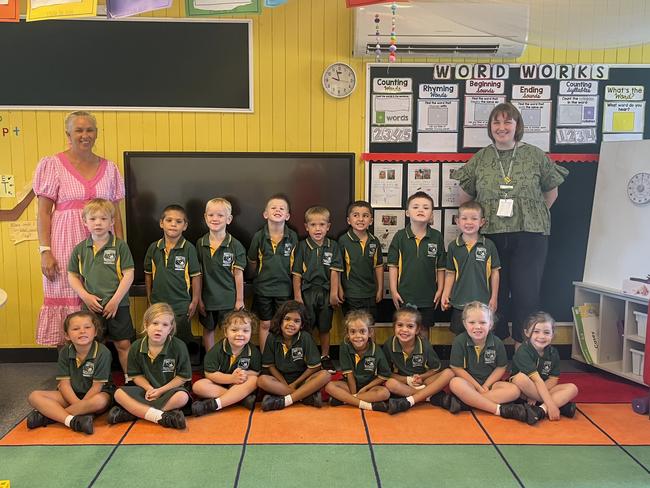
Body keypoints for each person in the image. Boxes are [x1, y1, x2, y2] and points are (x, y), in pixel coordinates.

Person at [452, 102, 568, 347]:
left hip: (530, 235)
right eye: (496, 122)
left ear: (517, 126)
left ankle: (523, 346)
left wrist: (533, 213)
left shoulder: (534, 155)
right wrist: (476, 220)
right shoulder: (481, 158)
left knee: (527, 292)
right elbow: (464, 197)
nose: (501, 127)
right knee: (495, 292)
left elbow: (552, 192)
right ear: (490, 127)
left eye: (507, 122)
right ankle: (496, 344)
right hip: (492, 235)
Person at [33, 111, 125, 346]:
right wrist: (45, 250)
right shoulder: (52, 165)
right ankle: (68, 369)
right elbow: (43, 212)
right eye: (79, 130)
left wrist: (121, 250)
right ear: (68, 134)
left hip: (103, 247)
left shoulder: (110, 168)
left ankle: (97, 365)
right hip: (64, 244)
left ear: (96, 133)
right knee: (68, 301)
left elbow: (116, 213)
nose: (85, 135)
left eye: (90, 130)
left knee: (98, 298)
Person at [67, 199, 134, 380]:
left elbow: (129, 274)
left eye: (103, 219)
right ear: (85, 221)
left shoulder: (120, 246)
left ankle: (129, 378)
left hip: (118, 305)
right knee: (93, 343)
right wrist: (85, 296)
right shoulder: (80, 249)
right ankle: (97, 379)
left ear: (112, 221)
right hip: (91, 307)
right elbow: (72, 275)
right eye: (93, 218)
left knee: (123, 343)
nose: (98, 223)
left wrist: (115, 301)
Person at [448, 301, 538, 424]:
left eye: (483, 322)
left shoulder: (497, 342)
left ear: (490, 324)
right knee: (454, 383)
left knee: (515, 391)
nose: (477, 327)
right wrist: (478, 387)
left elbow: (501, 367)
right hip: (469, 384)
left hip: (491, 386)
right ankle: (498, 409)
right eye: (472, 322)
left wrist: (486, 386)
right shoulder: (459, 341)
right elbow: (456, 368)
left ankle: (466, 403)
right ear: (464, 323)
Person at [27, 311, 114, 435]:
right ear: (67, 335)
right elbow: (64, 385)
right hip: (71, 395)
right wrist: (78, 406)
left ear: (95, 332)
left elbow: (97, 387)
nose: (82, 331)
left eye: (87, 327)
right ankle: (72, 420)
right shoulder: (64, 352)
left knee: (99, 401)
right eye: (76, 328)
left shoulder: (103, 352)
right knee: (34, 396)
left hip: (96, 394)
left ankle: (49, 416)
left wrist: (83, 404)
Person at [107, 303, 191, 429]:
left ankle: (135, 413)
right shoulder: (136, 346)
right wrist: (149, 389)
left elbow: (183, 377)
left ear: (170, 329)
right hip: (146, 391)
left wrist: (160, 391)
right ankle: (161, 415)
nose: (159, 328)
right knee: (118, 393)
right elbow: (136, 375)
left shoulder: (179, 346)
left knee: (182, 397)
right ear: (146, 325)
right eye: (155, 323)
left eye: (165, 325)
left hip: (169, 390)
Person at [292, 206, 344, 372]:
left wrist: (334, 294)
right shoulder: (301, 246)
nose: (318, 229)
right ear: (306, 227)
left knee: (324, 326)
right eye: (313, 225)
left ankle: (325, 356)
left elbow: (335, 271)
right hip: (307, 292)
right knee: (306, 326)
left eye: (322, 224)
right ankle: (308, 356)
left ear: (328, 226)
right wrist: (298, 296)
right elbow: (297, 274)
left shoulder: (333, 246)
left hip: (326, 292)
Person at [144, 204, 201, 347]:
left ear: (185, 225)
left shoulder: (189, 248)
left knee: (180, 343)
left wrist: (195, 300)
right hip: (158, 305)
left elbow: (196, 276)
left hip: (181, 306)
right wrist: (149, 298)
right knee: (159, 341)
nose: (173, 224)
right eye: (169, 220)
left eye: (178, 221)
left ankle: (180, 368)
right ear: (161, 223)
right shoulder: (153, 248)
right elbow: (148, 275)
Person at [257, 300, 331, 411]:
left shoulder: (305, 337)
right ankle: (305, 397)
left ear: (302, 325)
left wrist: (295, 384)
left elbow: (315, 366)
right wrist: (285, 384)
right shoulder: (272, 337)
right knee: (261, 380)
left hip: (302, 381)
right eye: (287, 319)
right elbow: (270, 366)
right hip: (280, 381)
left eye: (296, 321)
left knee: (325, 375)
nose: (291, 324)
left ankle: (284, 401)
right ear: (280, 321)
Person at [441, 201, 501, 335]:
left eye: (474, 218)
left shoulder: (489, 245)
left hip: (483, 303)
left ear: (482, 222)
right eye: (464, 218)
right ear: (457, 221)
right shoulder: (453, 246)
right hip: (459, 303)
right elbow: (450, 273)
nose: (469, 222)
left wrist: (494, 297)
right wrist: (446, 294)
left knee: (482, 338)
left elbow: (495, 273)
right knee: (460, 339)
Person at [388, 191, 445, 329]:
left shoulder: (437, 236)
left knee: (424, 331)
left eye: (426, 208)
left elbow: (441, 267)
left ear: (431, 214)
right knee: (404, 330)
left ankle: (424, 352)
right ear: (407, 212)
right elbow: (393, 266)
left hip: (428, 296)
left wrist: (440, 289)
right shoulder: (400, 236)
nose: (420, 210)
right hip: (405, 296)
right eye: (415, 207)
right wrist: (394, 290)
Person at [247, 194, 298, 351]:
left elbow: (295, 265)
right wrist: (255, 278)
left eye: (282, 208)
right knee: (265, 324)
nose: (277, 210)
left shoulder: (292, 237)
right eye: (273, 208)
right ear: (265, 214)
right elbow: (253, 261)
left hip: (284, 288)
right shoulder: (259, 237)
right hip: (263, 289)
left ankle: (283, 356)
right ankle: (265, 359)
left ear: (287, 215)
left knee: (284, 323)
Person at [382, 306, 455, 414]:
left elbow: (435, 369)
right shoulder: (389, 344)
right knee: (390, 383)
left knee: (449, 373)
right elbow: (386, 372)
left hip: (424, 381)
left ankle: (411, 399)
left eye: (410, 326)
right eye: (400, 325)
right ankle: (430, 397)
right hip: (404, 382)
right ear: (394, 327)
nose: (404, 330)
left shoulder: (424, 345)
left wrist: (422, 377)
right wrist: (408, 380)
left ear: (417, 330)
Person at [196, 198, 246, 352]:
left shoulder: (235, 245)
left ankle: (227, 361)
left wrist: (239, 300)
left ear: (229, 219)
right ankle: (211, 361)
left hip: (228, 300)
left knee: (230, 332)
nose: (215, 219)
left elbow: (238, 274)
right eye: (211, 215)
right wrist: (198, 299)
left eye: (220, 215)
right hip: (207, 299)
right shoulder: (200, 243)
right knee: (208, 330)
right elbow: (198, 275)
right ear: (205, 217)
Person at [510, 312, 579, 421]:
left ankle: (540, 410)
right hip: (523, 391)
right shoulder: (523, 351)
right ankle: (558, 405)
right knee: (520, 378)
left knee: (572, 388)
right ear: (527, 333)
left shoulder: (553, 353)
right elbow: (536, 380)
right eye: (536, 331)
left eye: (546, 332)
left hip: (543, 389)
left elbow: (553, 379)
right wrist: (551, 404)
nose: (541, 336)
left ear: (553, 334)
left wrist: (535, 395)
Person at [191, 309, 262, 416]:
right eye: (234, 330)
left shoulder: (253, 352)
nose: (240, 334)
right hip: (219, 384)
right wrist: (231, 378)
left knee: (255, 380)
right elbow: (210, 374)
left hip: (239, 384)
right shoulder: (215, 351)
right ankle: (239, 399)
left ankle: (214, 404)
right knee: (198, 386)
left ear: (251, 333)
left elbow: (256, 372)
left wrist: (243, 375)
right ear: (225, 332)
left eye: (245, 331)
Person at [325, 310, 390, 411]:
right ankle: (367, 405)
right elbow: (349, 374)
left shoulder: (376, 351)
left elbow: (384, 376)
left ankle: (344, 400)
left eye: (362, 331)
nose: (358, 336)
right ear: (347, 333)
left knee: (385, 393)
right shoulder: (344, 346)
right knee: (329, 386)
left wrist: (366, 388)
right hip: (349, 385)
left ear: (370, 333)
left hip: (368, 388)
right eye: (353, 332)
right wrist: (354, 393)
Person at [337, 201, 384, 321]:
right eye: (356, 215)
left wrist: (380, 290)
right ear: (348, 220)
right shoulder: (343, 241)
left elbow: (378, 266)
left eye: (365, 215)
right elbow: (337, 269)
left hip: (370, 294)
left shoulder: (375, 241)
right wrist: (339, 288)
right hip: (351, 294)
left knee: (370, 325)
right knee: (353, 326)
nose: (361, 219)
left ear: (371, 220)